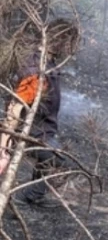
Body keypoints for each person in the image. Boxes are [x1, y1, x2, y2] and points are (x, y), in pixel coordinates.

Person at [0, 19, 79, 207]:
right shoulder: (37, 72)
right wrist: (4, 146)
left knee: (49, 158)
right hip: (32, 132)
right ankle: (23, 197)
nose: (70, 50)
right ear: (60, 41)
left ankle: (33, 195)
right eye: (69, 44)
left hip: (43, 128)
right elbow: (16, 106)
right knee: (63, 163)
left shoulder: (42, 60)